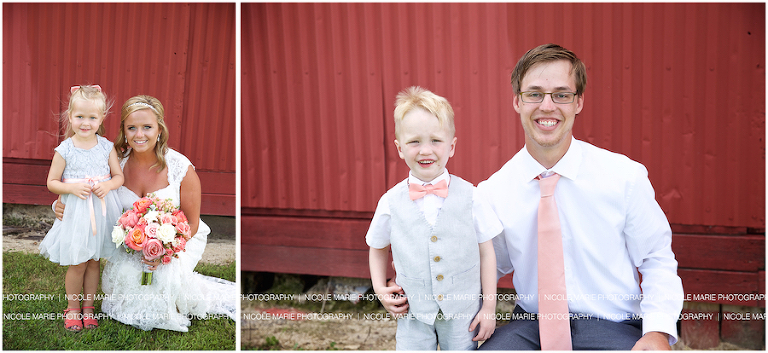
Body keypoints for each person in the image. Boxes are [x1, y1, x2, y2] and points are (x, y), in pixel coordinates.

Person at [476, 44, 683, 350]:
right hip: (530, 327)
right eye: (534, 94)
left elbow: (656, 259)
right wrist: (417, 283)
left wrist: (657, 331)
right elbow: (483, 264)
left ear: (578, 102)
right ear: (517, 101)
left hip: (612, 324)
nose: (547, 106)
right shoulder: (493, 191)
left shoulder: (624, 177)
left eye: (561, 94)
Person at [55, 95, 235, 332]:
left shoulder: (181, 167)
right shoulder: (114, 163)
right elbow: (81, 182)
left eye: (147, 127)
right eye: (132, 128)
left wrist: (164, 250)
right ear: (124, 132)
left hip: (177, 244)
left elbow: (192, 223)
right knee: (128, 292)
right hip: (131, 245)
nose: (139, 135)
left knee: (163, 285)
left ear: (159, 129)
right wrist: (57, 205)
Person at [367, 86, 502, 350]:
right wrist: (379, 289)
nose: (425, 150)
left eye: (436, 141)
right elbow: (377, 247)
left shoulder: (472, 197)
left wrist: (488, 307)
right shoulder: (390, 202)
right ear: (400, 148)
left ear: (451, 147)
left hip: (464, 312)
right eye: (414, 141)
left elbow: (487, 253)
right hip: (413, 312)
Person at [40, 85, 125, 332]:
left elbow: (118, 176)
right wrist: (72, 188)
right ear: (70, 116)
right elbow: (51, 182)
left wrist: (107, 184)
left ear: (101, 118)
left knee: (94, 261)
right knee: (78, 261)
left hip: (100, 210)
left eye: (92, 117)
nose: (85, 123)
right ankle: (73, 308)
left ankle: (89, 307)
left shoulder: (106, 147)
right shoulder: (65, 149)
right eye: (80, 117)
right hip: (77, 213)